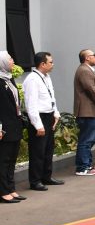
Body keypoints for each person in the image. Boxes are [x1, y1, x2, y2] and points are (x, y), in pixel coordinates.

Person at [23, 52, 64, 191]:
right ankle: (35, 181)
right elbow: (31, 104)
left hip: (49, 116)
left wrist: (55, 113)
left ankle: (46, 176)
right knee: (37, 151)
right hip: (39, 118)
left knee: (48, 149)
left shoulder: (46, 77)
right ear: (42, 64)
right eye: (50, 62)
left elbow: (51, 97)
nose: (53, 64)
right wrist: (38, 125)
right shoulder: (32, 79)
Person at [73, 49, 95, 176]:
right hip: (87, 111)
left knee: (89, 139)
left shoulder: (86, 70)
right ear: (87, 58)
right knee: (86, 140)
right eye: (94, 55)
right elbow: (91, 90)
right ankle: (83, 167)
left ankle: (87, 164)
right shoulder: (84, 70)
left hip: (89, 111)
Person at [0, 52, 25, 203]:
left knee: (12, 159)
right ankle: (3, 191)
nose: (12, 60)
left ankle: (11, 188)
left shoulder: (9, 79)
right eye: (9, 58)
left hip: (14, 124)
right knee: (3, 160)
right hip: (4, 127)